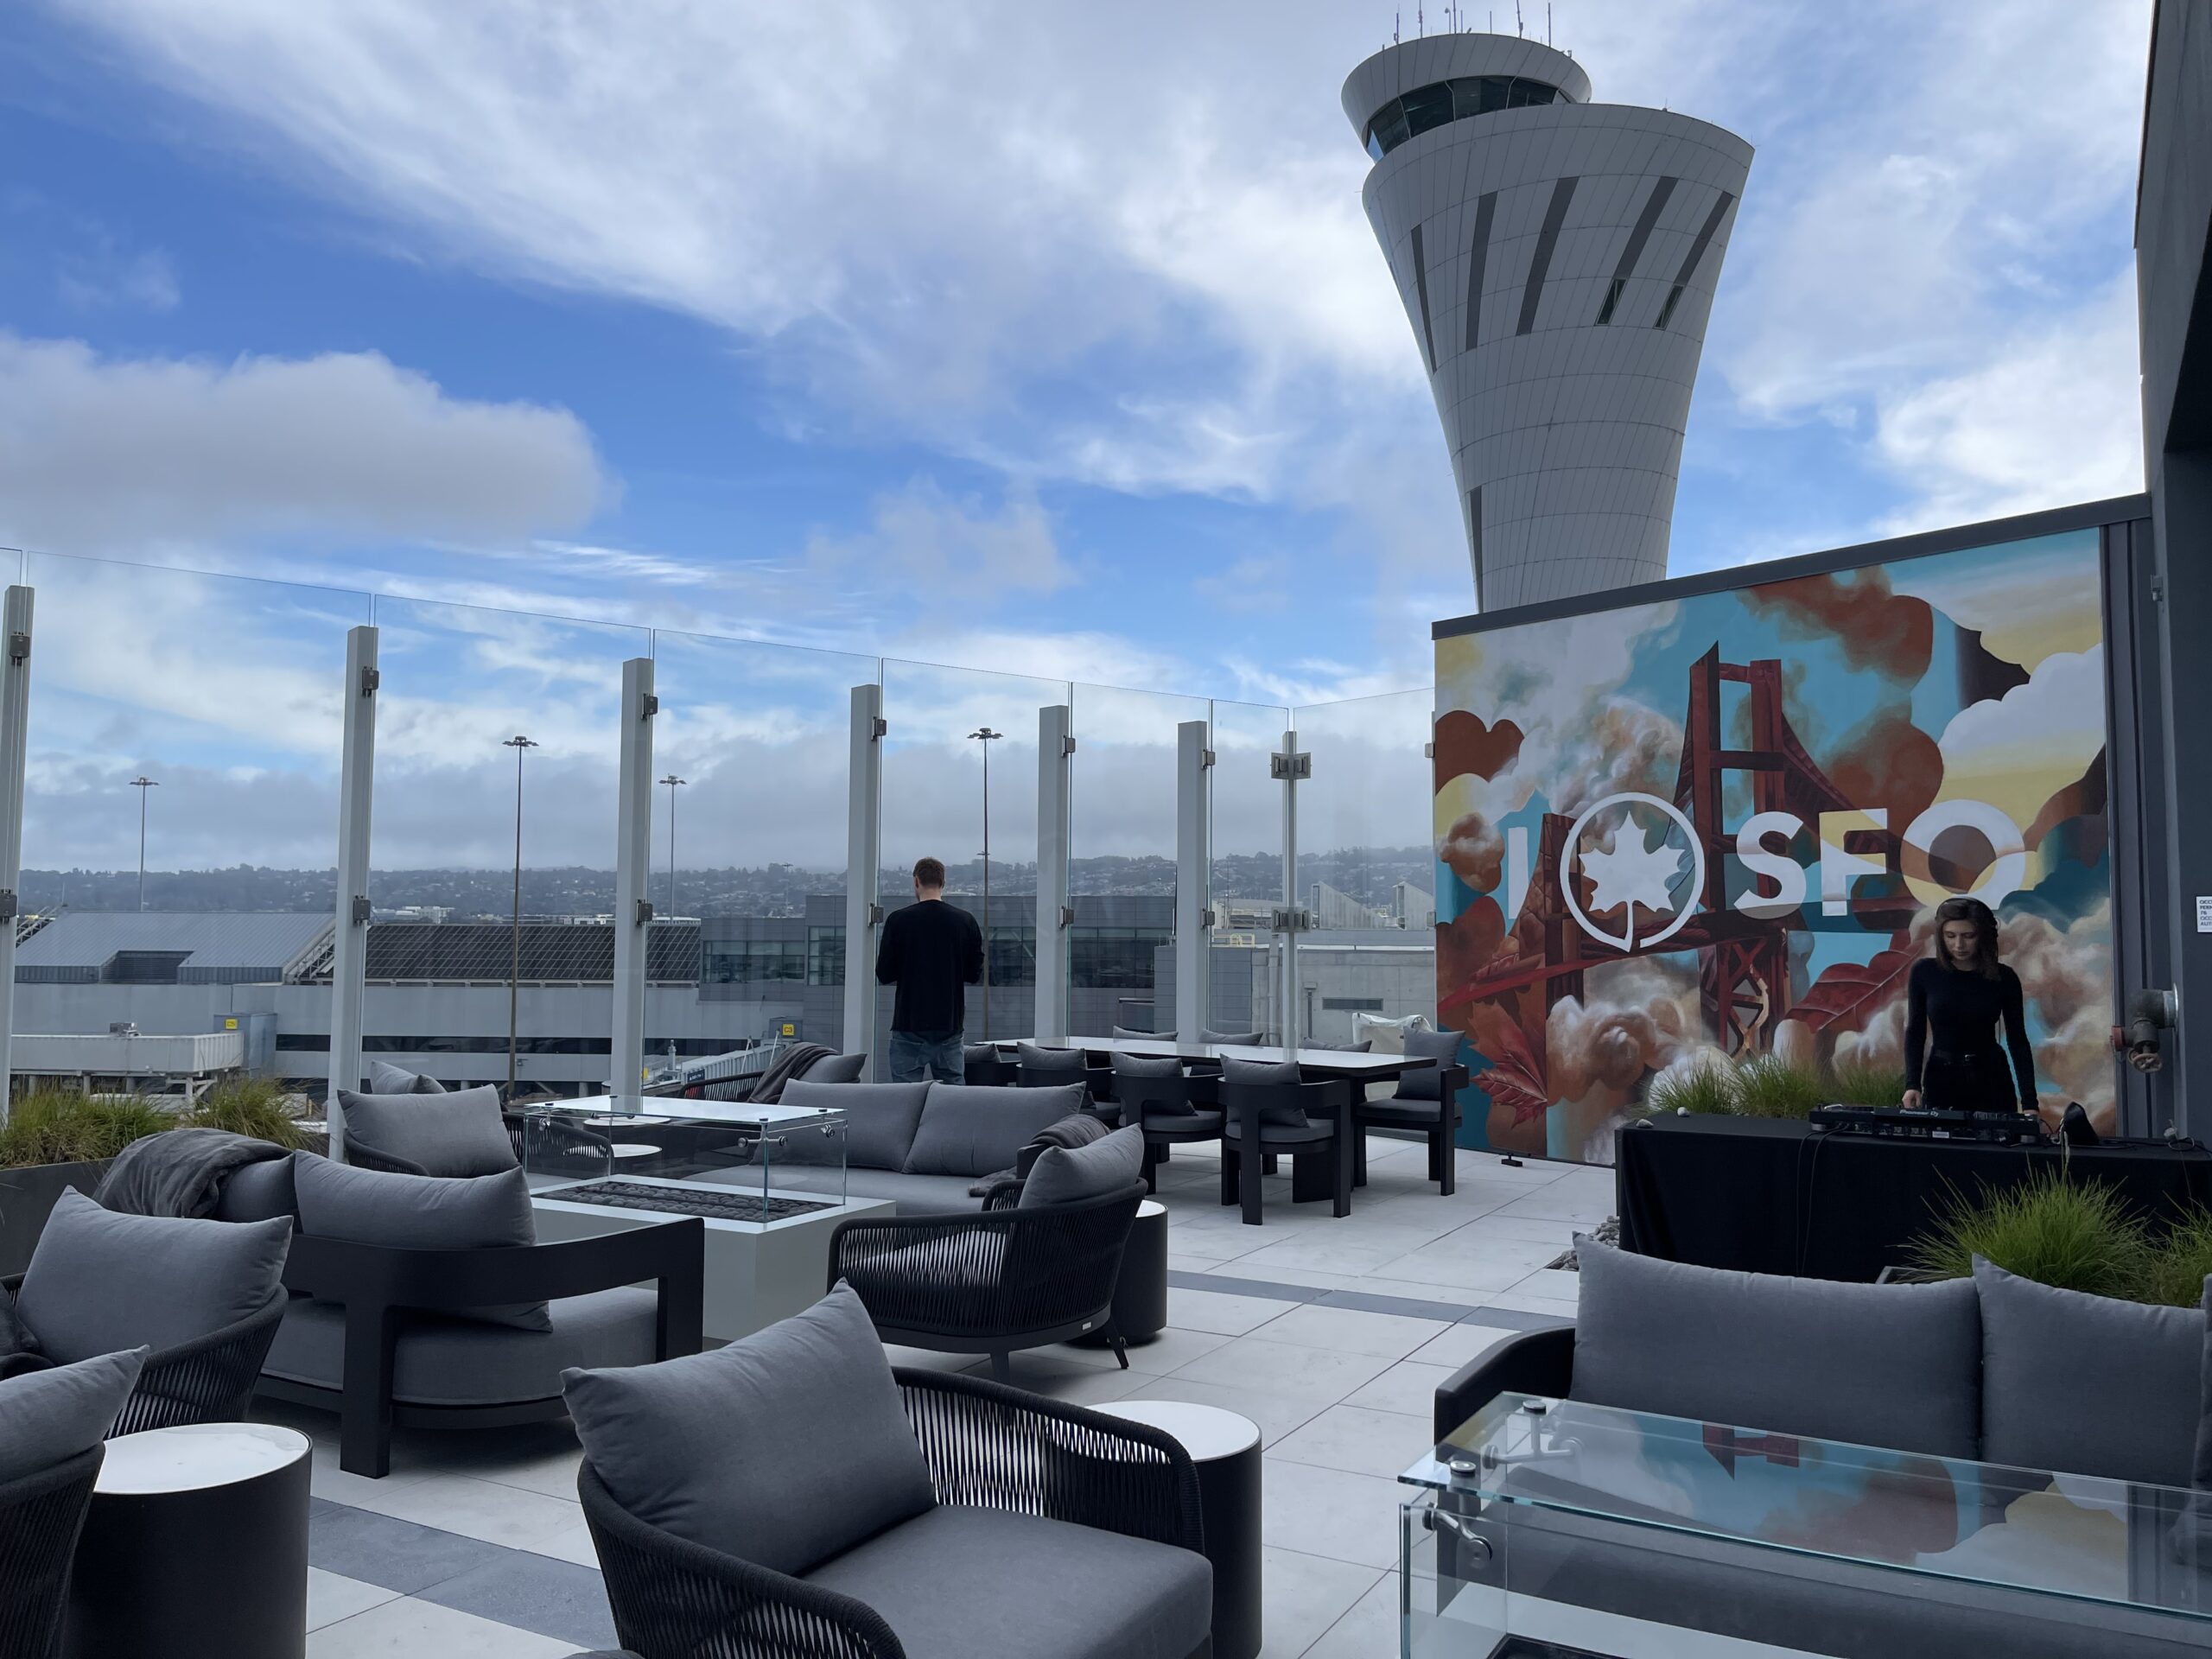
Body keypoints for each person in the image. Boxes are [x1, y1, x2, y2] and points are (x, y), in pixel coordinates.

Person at [1901, 896, 2037, 1115]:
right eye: (1950, 936)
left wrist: (2030, 1103)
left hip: (1991, 1078)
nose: (1959, 945)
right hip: (1942, 1078)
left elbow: (2018, 1040)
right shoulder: (1924, 972)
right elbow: (1916, 1032)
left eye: (1968, 936)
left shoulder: (2004, 978)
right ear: (1940, 936)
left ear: (1983, 935)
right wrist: (1912, 1084)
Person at [875, 855, 983, 1084]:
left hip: (909, 1022)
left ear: (916, 881)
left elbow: (884, 973)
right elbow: (974, 973)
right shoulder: (965, 921)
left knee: (905, 1098)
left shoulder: (898, 920)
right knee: (953, 1099)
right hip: (949, 1022)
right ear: (943, 882)